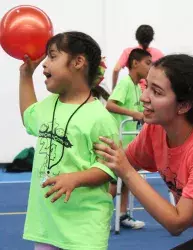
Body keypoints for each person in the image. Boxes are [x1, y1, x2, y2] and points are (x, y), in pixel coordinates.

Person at [94, 54, 193, 249]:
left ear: (184, 105)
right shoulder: (156, 128)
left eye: (157, 92)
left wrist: (126, 172)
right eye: (146, 86)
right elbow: (118, 164)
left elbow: (176, 223)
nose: (144, 97)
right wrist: (75, 178)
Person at [19, 31, 119, 250]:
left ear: (78, 62)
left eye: (52, 56)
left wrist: (76, 178)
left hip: (84, 229)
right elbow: (28, 117)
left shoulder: (100, 118)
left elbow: (109, 168)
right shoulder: (47, 105)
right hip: (47, 226)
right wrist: (25, 76)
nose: (44, 64)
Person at [107, 48, 151, 229]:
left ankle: (122, 215)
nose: (150, 67)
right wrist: (133, 113)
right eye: (147, 63)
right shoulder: (125, 83)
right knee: (112, 183)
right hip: (118, 141)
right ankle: (98, 214)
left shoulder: (136, 85)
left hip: (129, 142)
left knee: (125, 180)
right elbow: (110, 104)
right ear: (135, 64)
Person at [112, 24, 164, 90]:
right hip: (150, 91)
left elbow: (116, 69)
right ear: (151, 38)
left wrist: (113, 88)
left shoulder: (129, 51)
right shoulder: (158, 54)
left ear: (137, 37)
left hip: (132, 89)